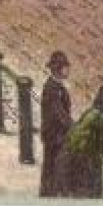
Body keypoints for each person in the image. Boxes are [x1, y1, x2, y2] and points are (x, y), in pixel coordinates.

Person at [60, 84, 103, 199]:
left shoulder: (89, 112)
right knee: (92, 193)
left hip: (73, 157)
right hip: (89, 160)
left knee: (78, 192)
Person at [39, 51, 73, 198]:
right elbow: (60, 114)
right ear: (59, 69)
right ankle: (49, 194)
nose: (68, 70)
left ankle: (49, 193)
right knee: (52, 166)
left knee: (52, 166)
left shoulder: (56, 87)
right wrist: (74, 126)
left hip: (55, 134)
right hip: (54, 136)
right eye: (65, 67)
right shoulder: (53, 89)